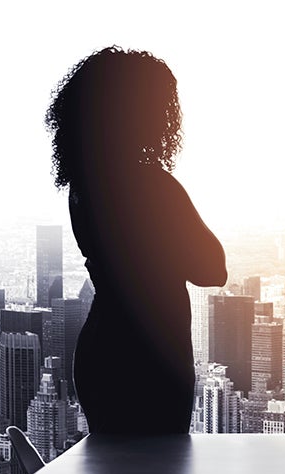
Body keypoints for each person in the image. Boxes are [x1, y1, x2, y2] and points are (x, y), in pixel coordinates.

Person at [45, 47, 227, 434]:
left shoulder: (82, 186)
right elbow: (213, 269)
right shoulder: (153, 185)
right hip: (153, 356)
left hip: (103, 349)